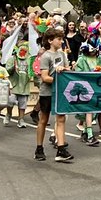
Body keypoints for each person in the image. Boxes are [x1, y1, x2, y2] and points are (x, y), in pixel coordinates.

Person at [35, 29, 73, 163]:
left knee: (61, 119)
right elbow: (45, 77)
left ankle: (61, 149)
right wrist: (57, 77)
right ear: (50, 41)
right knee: (44, 120)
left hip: (60, 92)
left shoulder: (62, 54)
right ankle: (39, 148)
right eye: (58, 39)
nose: (61, 41)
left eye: (61, 39)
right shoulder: (46, 56)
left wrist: (65, 70)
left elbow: (68, 71)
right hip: (47, 92)